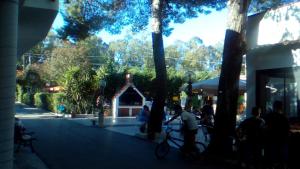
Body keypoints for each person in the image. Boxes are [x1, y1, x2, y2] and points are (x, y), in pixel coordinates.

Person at [264, 100, 290, 169]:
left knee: (272, 160)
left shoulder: (268, 116)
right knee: (282, 160)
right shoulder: (284, 118)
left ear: (273, 107)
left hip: (271, 140)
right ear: (281, 107)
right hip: (282, 141)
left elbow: (265, 128)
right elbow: (287, 130)